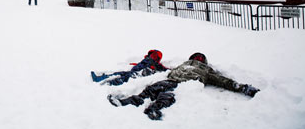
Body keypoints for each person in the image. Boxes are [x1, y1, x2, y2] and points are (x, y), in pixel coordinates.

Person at [108, 52, 260, 120]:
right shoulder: (183, 64)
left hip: (186, 84)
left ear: (204, 62)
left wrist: (242, 87)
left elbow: (222, 81)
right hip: (172, 80)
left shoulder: (206, 70)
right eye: (196, 57)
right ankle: (126, 101)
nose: (198, 59)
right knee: (150, 90)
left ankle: (154, 109)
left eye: (200, 58)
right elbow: (169, 71)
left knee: (166, 96)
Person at [91, 50, 168, 86]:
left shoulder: (157, 65)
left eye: (155, 56)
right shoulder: (146, 59)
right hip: (134, 71)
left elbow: (165, 70)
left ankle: (107, 85)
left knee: (124, 78)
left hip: (138, 75)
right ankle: (99, 78)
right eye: (152, 55)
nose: (152, 56)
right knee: (119, 73)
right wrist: (134, 64)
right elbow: (140, 64)